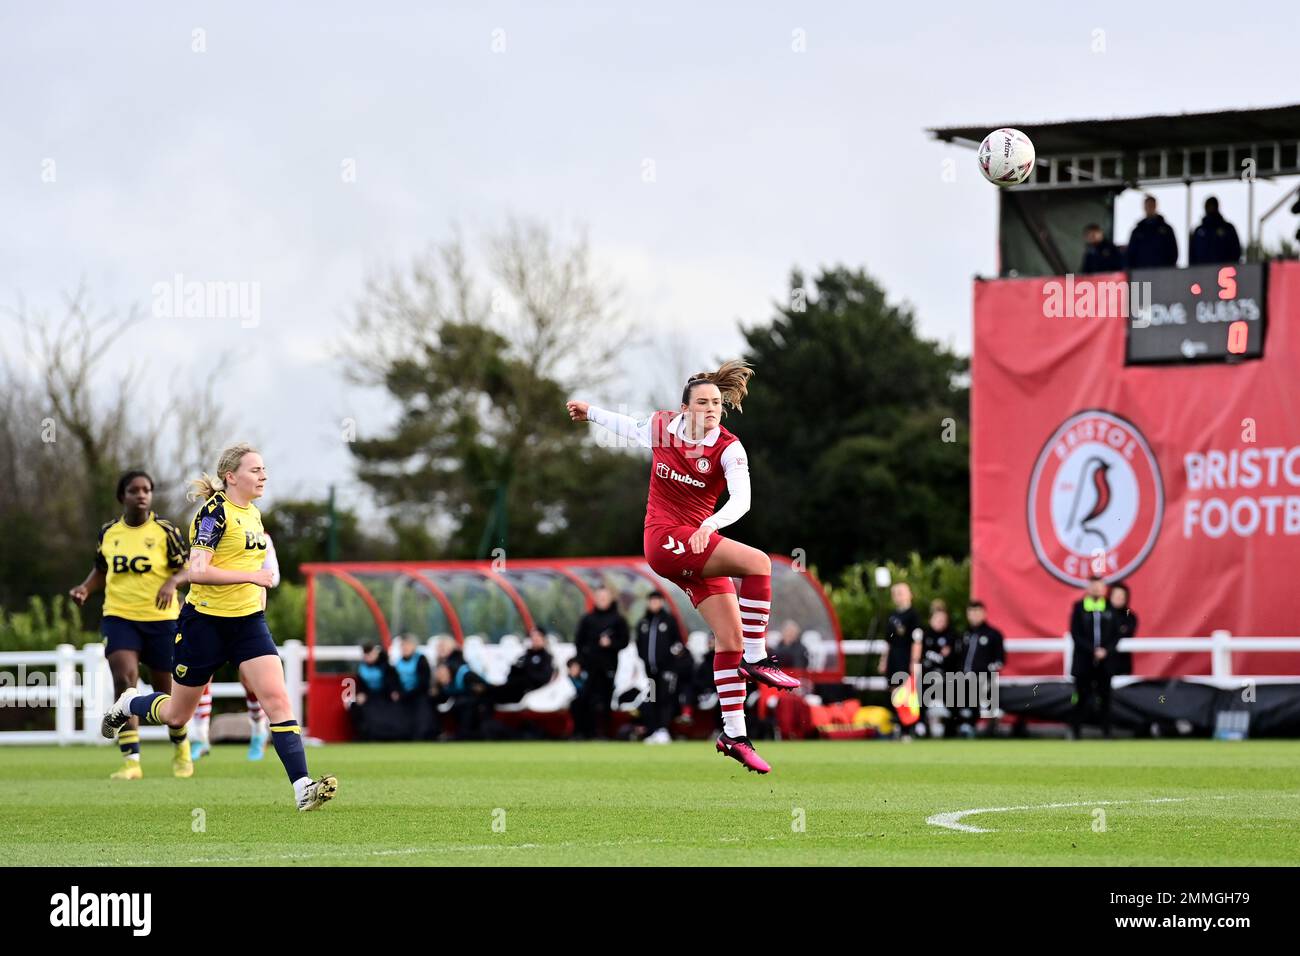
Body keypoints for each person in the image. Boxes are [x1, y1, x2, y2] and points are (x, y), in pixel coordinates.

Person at [568, 360, 797, 775]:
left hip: (696, 543)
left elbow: (742, 501)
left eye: (716, 403)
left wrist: (708, 525)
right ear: (685, 408)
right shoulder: (663, 427)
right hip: (663, 541)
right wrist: (591, 413)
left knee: (729, 638)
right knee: (758, 563)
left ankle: (734, 734)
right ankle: (758, 657)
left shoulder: (729, 447)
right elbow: (628, 428)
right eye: (703, 403)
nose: (711, 409)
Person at [99, 443, 337, 811]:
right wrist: (252, 577)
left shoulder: (254, 514)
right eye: (255, 470)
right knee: (178, 714)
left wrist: (258, 598)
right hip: (204, 625)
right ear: (232, 477)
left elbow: (255, 569)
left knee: (277, 699)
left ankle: (302, 787)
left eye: (263, 469)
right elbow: (197, 571)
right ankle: (131, 701)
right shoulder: (213, 514)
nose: (264, 476)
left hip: (247, 624)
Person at [69, 470, 190, 780]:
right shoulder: (109, 533)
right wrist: (85, 588)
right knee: (125, 679)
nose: (142, 495)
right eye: (134, 490)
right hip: (120, 617)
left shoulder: (165, 531)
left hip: (162, 621)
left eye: (147, 489)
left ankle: (180, 748)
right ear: (122, 496)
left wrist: (172, 583)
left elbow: (188, 569)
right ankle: (131, 761)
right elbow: (99, 570)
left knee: (169, 694)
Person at [191, 532, 280, 761]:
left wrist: (248, 573)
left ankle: (259, 732)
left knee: (249, 679)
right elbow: (195, 569)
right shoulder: (208, 531)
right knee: (202, 675)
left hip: (245, 615)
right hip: (211, 614)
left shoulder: (260, 537)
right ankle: (200, 738)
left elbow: (273, 577)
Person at [573, 587, 629, 739]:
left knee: (605, 701)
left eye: (605, 597)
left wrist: (610, 643)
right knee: (585, 699)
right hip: (590, 667)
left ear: (610, 599)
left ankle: (604, 734)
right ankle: (584, 733)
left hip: (608, 666)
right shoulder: (587, 619)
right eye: (599, 597)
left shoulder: (618, 620)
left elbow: (624, 641)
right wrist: (578, 662)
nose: (602, 600)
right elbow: (579, 642)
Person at [1069, 575, 1119, 739]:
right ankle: (1075, 732)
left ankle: (1107, 733)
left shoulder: (1111, 608)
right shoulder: (1079, 607)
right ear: (1088, 588)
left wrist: (1106, 650)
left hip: (1105, 662)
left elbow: (1116, 634)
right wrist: (1093, 650)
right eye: (1093, 586)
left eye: (1100, 586)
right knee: (1081, 697)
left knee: (1106, 698)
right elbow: (1075, 634)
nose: (1097, 589)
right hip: (1084, 662)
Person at [635, 591, 685, 744]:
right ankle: (654, 730)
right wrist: (643, 658)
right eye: (651, 601)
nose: (654, 604)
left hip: (667, 670)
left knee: (665, 699)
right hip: (650, 671)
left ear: (662, 602)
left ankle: (664, 730)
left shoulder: (669, 621)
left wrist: (671, 660)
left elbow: (679, 643)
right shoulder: (643, 623)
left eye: (657, 601)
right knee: (652, 699)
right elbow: (639, 644)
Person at [953, 600, 1005, 736]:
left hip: (984, 680)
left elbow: (1000, 661)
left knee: (976, 688)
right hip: (962, 679)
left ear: (983, 613)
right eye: (971, 612)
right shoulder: (964, 634)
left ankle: (978, 727)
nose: (974, 616)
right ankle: (957, 727)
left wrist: (987, 670)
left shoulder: (993, 635)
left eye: (977, 612)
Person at [879, 582, 923, 737]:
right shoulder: (892, 616)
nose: (899, 596)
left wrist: (914, 661)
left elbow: (917, 640)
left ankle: (907, 729)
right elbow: (888, 641)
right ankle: (897, 726)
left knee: (906, 694)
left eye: (902, 592)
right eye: (896, 593)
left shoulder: (913, 615)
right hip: (893, 658)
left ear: (910, 594)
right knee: (894, 693)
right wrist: (884, 660)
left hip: (906, 657)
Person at [494, 626, 556, 704]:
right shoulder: (525, 656)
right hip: (515, 687)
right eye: (532, 636)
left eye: (538, 636)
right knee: (490, 691)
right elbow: (512, 674)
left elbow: (544, 677)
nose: (535, 638)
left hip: (531, 690)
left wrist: (527, 672)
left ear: (543, 639)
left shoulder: (547, 657)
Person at [348, 642, 396, 740]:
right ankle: (363, 735)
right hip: (369, 696)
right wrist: (361, 694)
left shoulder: (385, 666)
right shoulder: (362, 668)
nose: (368, 657)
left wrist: (393, 692)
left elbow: (392, 683)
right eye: (366, 655)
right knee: (355, 706)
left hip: (385, 696)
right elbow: (360, 685)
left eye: (370, 655)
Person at [392, 634, 433, 740]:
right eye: (403, 645)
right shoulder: (398, 662)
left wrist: (407, 694)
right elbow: (394, 681)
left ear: (414, 646)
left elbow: (424, 683)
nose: (405, 648)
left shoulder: (421, 660)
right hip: (404, 696)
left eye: (407, 645)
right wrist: (397, 692)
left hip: (418, 695)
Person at [1126, 195, 1178, 269]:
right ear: (1144, 207)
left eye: (1151, 205)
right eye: (1147, 206)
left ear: (1155, 206)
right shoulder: (1137, 231)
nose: (1149, 208)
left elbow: (1173, 252)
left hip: (1162, 272)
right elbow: (1130, 254)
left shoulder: (1166, 230)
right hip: (1141, 273)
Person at [1189, 196, 1242, 266]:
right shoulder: (1199, 231)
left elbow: (1236, 252)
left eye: (1212, 205)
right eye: (1209, 206)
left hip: (1224, 270)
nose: (1211, 208)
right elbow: (1192, 255)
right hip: (1202, 271)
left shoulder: (1228, 228)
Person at [1109, 583, 1137, 678]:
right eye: (1116, 595)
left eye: (1121, 596)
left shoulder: (1129, 614)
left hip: (1122, 665)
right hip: (1103, 665)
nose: (1119, 598)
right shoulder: (1101, 614)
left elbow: (1127, 631)